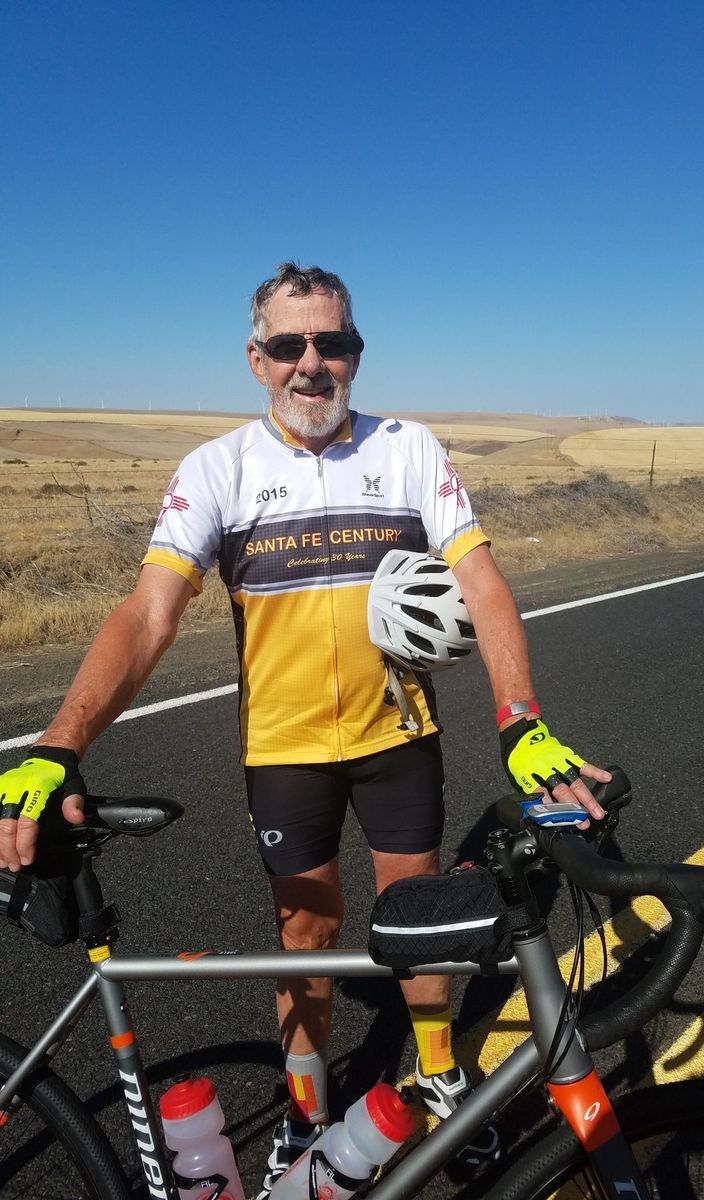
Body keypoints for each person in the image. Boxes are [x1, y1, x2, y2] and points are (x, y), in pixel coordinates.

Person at [0, 264, 610, 1197]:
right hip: (285, 752)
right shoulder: (219, 468)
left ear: (357, 354)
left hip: (397, 738)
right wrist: (59, 742)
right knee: (305, 932)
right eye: (290, 344)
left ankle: (438, 1071)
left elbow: (481, 580)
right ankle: (306, 1105)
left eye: (334, 343)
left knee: (422, 922)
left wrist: (519, 718)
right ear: (258, 359)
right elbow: (148, 615)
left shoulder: (407, 448)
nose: (312, 363)